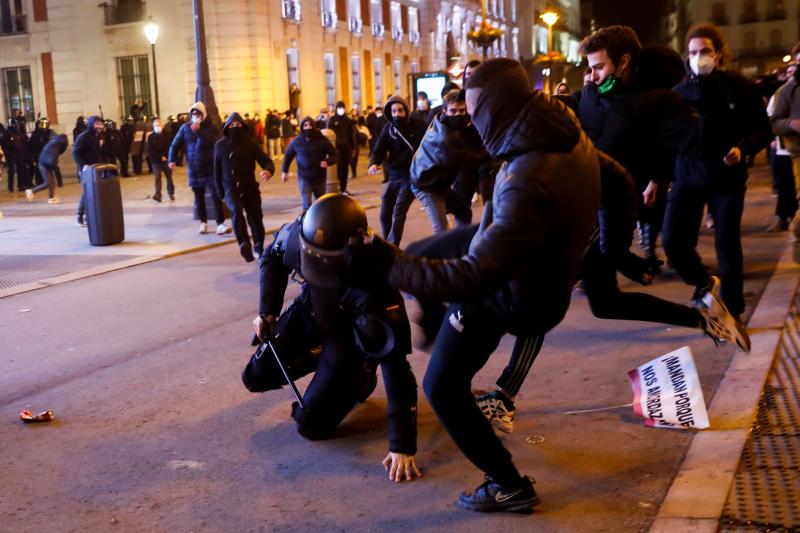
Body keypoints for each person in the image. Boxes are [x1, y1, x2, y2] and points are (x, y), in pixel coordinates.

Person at [350, 59, 601, 512]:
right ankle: (431, 326)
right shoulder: (563, 134)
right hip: (520, 256)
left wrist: (388, 265)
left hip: (513, 293)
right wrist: (604, 243)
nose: (474, 121)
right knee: (427, 247)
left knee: (441, 387)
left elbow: (472, 277)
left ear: (500, 106)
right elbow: (619, 182)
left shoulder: (528, 175)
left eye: (476, 111)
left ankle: (507, 483)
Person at [251, 193, 420, 482]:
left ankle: (363, 372)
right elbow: (272, 257)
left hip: (349, 341)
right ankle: (320, 356)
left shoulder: (378, 285)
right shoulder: (300, 234)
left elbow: (396, 366)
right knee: (256, 376)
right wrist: (268, 311)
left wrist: (402, 444)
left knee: (311, 426)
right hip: (312, 313)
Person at [664, 23, 771, 319]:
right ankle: (703, 282)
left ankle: (732, 312)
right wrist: (656, 179)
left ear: (720, 53)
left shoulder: (741, 88)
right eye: (693, 52)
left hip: (727, 180)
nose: (699, 57)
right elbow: (667, 137)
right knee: (672, 241)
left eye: (705, 51)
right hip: (687, 175)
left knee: (727, 246)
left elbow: (762, 131)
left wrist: (743, 148)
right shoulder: (678, 93)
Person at [411, 89, 485, 233]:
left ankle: (458, 246)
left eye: (462, 110)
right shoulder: (445, 137)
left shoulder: (442, 120)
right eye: (453, 111)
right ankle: (444, 253)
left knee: (464, 213)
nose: (458, 114)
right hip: (425, 184)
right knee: (441, 229)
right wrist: (488, 153)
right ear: (445, 111)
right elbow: (465, 157)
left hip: (438, 181)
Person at [214, 113, 275, 262]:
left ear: (243, 126)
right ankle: (244, 244)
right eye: (232, 125)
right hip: (230, 188)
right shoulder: (220, 146)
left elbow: (266, 161)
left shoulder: (251, 144)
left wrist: (269, 170)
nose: (235, 127)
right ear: (227, 127)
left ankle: (258, 247)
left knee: (255, 218)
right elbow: (216, 172)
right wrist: (221, 194)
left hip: (250, 187)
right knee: (236, 212)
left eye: (238, 125)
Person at [368, 96, 426, 246]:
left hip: (412, 176)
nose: (397, 114)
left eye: (400, 110)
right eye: (393, 111)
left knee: (398, 213)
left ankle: (393, 246)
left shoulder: (418, 126)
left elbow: (428, 145)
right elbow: (379, 149)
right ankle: (388, 245)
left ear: (406, 111)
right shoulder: (389, 129)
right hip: (394, 177)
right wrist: (374, 163)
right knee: (385, 213)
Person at [169, 101, 232, 235]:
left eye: (198, 114)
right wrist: (171, 159)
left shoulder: (211, 127)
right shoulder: (185, 128)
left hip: (210, 169)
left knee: (216, 196)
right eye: (193, 114)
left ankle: (220, 223)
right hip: (194, 169)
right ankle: (203, 223)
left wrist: (198, 132)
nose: (195, 117)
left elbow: (211, 141)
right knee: (199, 198)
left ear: (203, 115)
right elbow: (175, 144)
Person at [766, 64, 799, 232]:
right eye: (791, 71)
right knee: (784, 185)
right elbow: (772, 121)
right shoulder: (782, 93)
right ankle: (783, 219)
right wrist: (790, 124)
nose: (793, 74)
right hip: (786, 150)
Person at [281, 116, 337, 210]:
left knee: (321, 204)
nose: (308, 127)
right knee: (307, 205)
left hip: (319, 178)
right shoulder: (297, 141)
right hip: (304, 178)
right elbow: (288, 156)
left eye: (310, 125)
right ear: (302, 127)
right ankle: (306, 223)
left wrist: (328, 161)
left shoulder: (322, 139)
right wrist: (284, 171)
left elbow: (334, 155)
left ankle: (320, 223)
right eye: (305, 125)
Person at [72, 116, 108, 226]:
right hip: (86, 169)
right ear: (91, 124)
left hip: (96, 168)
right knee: (87, 192)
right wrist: (83, 165)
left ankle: (90, 217)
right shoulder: (83, 137)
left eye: (101, 124)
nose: (99, 126)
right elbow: (75, 153)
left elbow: (97, 153)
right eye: (96, 123)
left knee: (95, 192)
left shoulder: (98, 136)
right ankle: (79, 216)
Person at [26, 133, 67, 204]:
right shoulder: (56, 146)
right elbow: (53, 159)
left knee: (52, 183)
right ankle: (31, 191)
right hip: (44, 164)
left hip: (46, 164)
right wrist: (55, 168)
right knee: (48, 183)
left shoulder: (54, 143)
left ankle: (51, 198)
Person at [327, 101, 357, 194]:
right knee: (338, 168)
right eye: (339, 107)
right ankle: (337, 187)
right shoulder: (332, 120)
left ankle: (343, 188)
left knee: (345, 168)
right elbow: (328, 133)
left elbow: (351, 134)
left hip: (346, 148)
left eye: (342, 107)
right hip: (336, 149)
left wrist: (353, 148)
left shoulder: (347, 120)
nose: (341, 109)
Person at [146, 117, 175, 203]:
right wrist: (159, 157)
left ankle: (171, 193)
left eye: (159, 124)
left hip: (166, 160)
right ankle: (158, 195)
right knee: (157, 177)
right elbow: (150, 150)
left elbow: (170, 147)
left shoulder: (167, 135)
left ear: (162, 125)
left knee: (169, 177)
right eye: (155, 125)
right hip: (156, 161)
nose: (157, 126)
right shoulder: (151, 137)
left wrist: (166, 156)